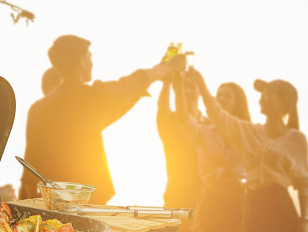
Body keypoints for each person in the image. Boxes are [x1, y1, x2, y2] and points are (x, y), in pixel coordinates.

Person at [18, 34, 186, 204]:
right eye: (89, 56)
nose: (91, 62)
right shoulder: (94, 97)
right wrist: (168, 67)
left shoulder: (38, 109)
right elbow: (134, 82)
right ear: (82, 61)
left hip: (53, 207)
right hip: (90, 204)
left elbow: (29, 171)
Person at [190, 68, 308, 232]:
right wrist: (200, 83)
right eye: (261, 93)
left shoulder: (295, 138)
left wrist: (304, 219)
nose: (262, 97)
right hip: (254, 205)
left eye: (269, 94)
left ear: (284, 100)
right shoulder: (249, 131)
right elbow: (218, 114)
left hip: (280, 204)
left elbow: (303, 181)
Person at [174, 74, 250, 232]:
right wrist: (179, 85)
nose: (220, 98)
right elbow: (181, 117)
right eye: (218, 95)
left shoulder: (245, 132)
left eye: (227, 96)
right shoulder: (204, 132)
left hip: (239, 201)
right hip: (211, 202)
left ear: (238, 102)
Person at [156, 72, 206, 232]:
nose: (189, 90)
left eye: (192, 86)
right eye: (183, 86)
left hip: (210, 198)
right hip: (177, 198)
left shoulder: (210, 123)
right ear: (176, 91)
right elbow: (162, 108)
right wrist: (168, 79)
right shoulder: (170, 122)